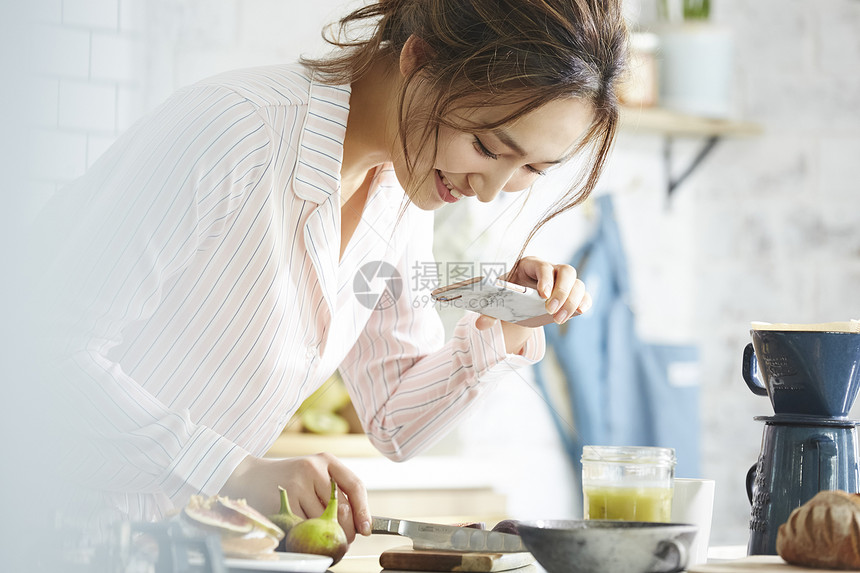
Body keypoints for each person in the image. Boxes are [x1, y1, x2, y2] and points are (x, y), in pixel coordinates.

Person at [30, 0, 627, 544]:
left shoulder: (402, 191)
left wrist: (512, 321)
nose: (490, 191)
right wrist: (231, 468)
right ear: (418, 61)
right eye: (488, 147)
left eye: (533, 168)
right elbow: (41, 357)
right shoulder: (235, 131)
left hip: (172, 548)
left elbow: (397, 420)